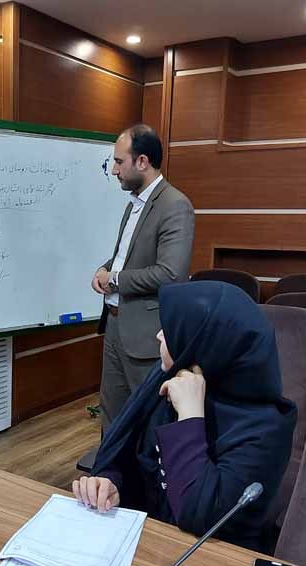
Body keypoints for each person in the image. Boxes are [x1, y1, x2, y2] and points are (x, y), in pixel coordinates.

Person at [73, 281, 297, 551]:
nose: (158, 335)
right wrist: (113, 483)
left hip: (211, 557)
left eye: (170, 330)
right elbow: (132, 456)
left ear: (203, 345)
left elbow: (200, 518)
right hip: (146, 538)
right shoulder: (170, 375)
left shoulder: (266, 427)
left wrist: (190, 417)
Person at [91, 124, 195, 435]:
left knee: (148, 421)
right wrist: (104, 269)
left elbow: (170, 274)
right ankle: (111, 467)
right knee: (112, 417)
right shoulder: (133, 205)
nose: (114, 170)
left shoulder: (175, 205)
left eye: (119, 162)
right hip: (115, 325)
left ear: (142, 162)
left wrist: (114, 279)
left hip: (145, 337)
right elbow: (126, 257)